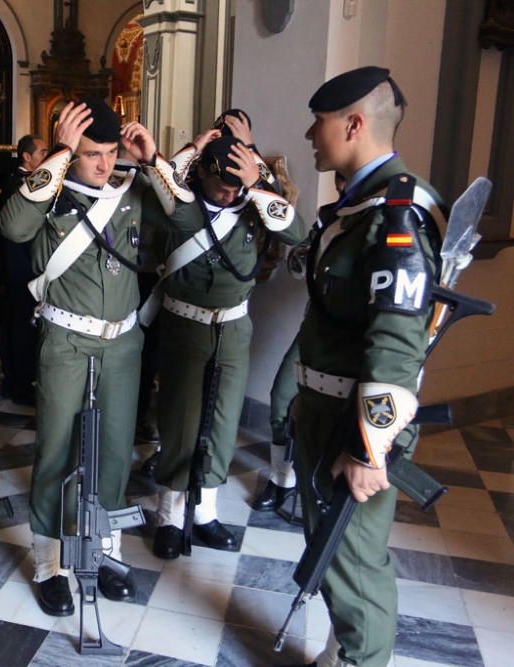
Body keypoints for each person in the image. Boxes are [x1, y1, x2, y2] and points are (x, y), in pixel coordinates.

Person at [0, 97, 188, 615]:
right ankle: (51, 563)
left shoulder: (131, 192)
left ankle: (106, 553)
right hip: (66, 341)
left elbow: (187, 215)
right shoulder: (49, 194)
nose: (104, 164)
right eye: (90, 154)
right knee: (56, 454)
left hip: (123, 345)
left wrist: (153, 161)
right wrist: (57, 156)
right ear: (69, 153)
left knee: (112, 453)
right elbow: (14, 227)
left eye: (109, 152)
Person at [291, 67, 444, 667]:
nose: (309, 133)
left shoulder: (396, 215)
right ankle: (340, 654)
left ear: (354, 124)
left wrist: (368, 448)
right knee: (332, 555)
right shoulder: (357, 206)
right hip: (326, 409)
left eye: (320, 122)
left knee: (354, 564)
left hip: (359, 422)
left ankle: (361, 659)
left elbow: (397, 347)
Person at [142, 122, 306, 557]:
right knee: (181, 422)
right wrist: (194, 148)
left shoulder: (252, 205)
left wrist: (256, 183)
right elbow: (160, 175)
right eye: (221, 186)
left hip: (233, 329)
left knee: (222, 422)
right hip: (186, 327)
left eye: (236, 186)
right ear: (203, 176)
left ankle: (205, 514)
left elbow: (296, 230)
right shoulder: (181, 205)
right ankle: (170, 517)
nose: (228, 194)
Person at [253, 172, 345, 514]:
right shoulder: (329, 219)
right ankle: (281, 480)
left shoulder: (381, 222)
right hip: (314, 329)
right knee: (281, 398)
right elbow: (296, 266)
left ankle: (324, 488)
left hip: (354, 341)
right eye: (340, 181)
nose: (343, 187)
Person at [0, 134, 47, 405]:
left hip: (24, 265)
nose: (45, 157)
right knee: (21, 325)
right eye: (42, 152)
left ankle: (16, 380)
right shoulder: (18, 184)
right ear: (26, 157)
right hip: (21, 266)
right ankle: (19, 383)